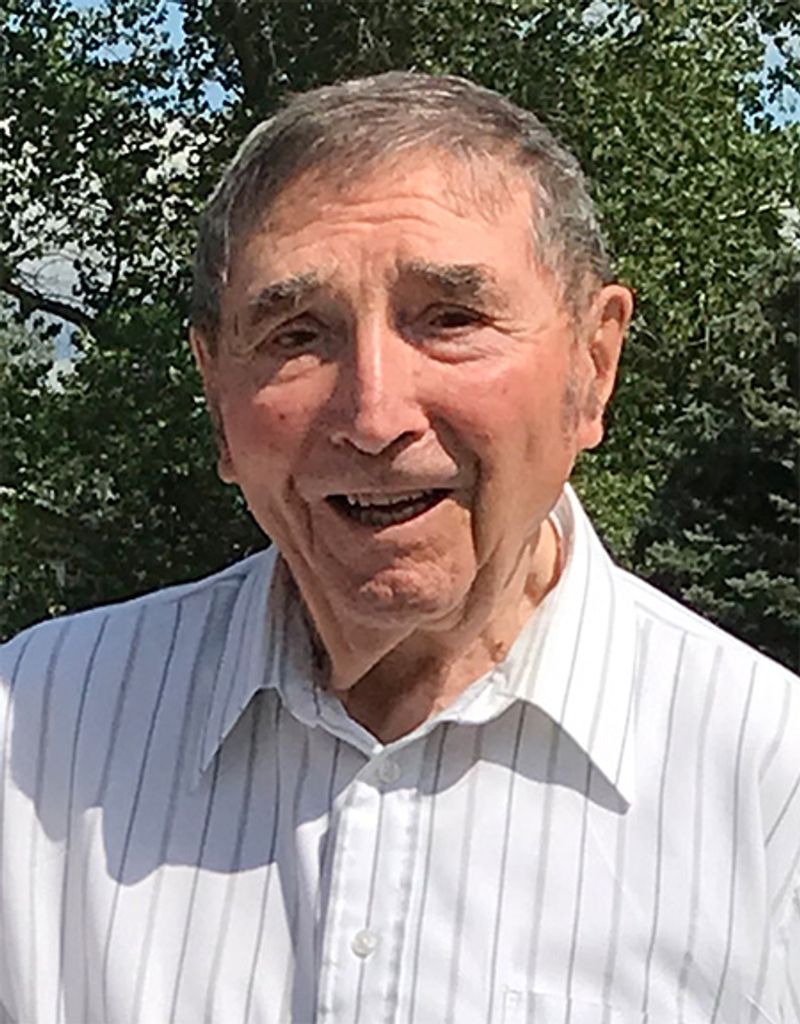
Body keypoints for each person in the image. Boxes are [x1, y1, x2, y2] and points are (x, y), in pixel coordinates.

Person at [0, 71, 797, 1024]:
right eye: (298, 335)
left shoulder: (772, 789)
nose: (374, 415)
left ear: (593, 366)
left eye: (450, 319)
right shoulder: (32, 734)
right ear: (217, 395)